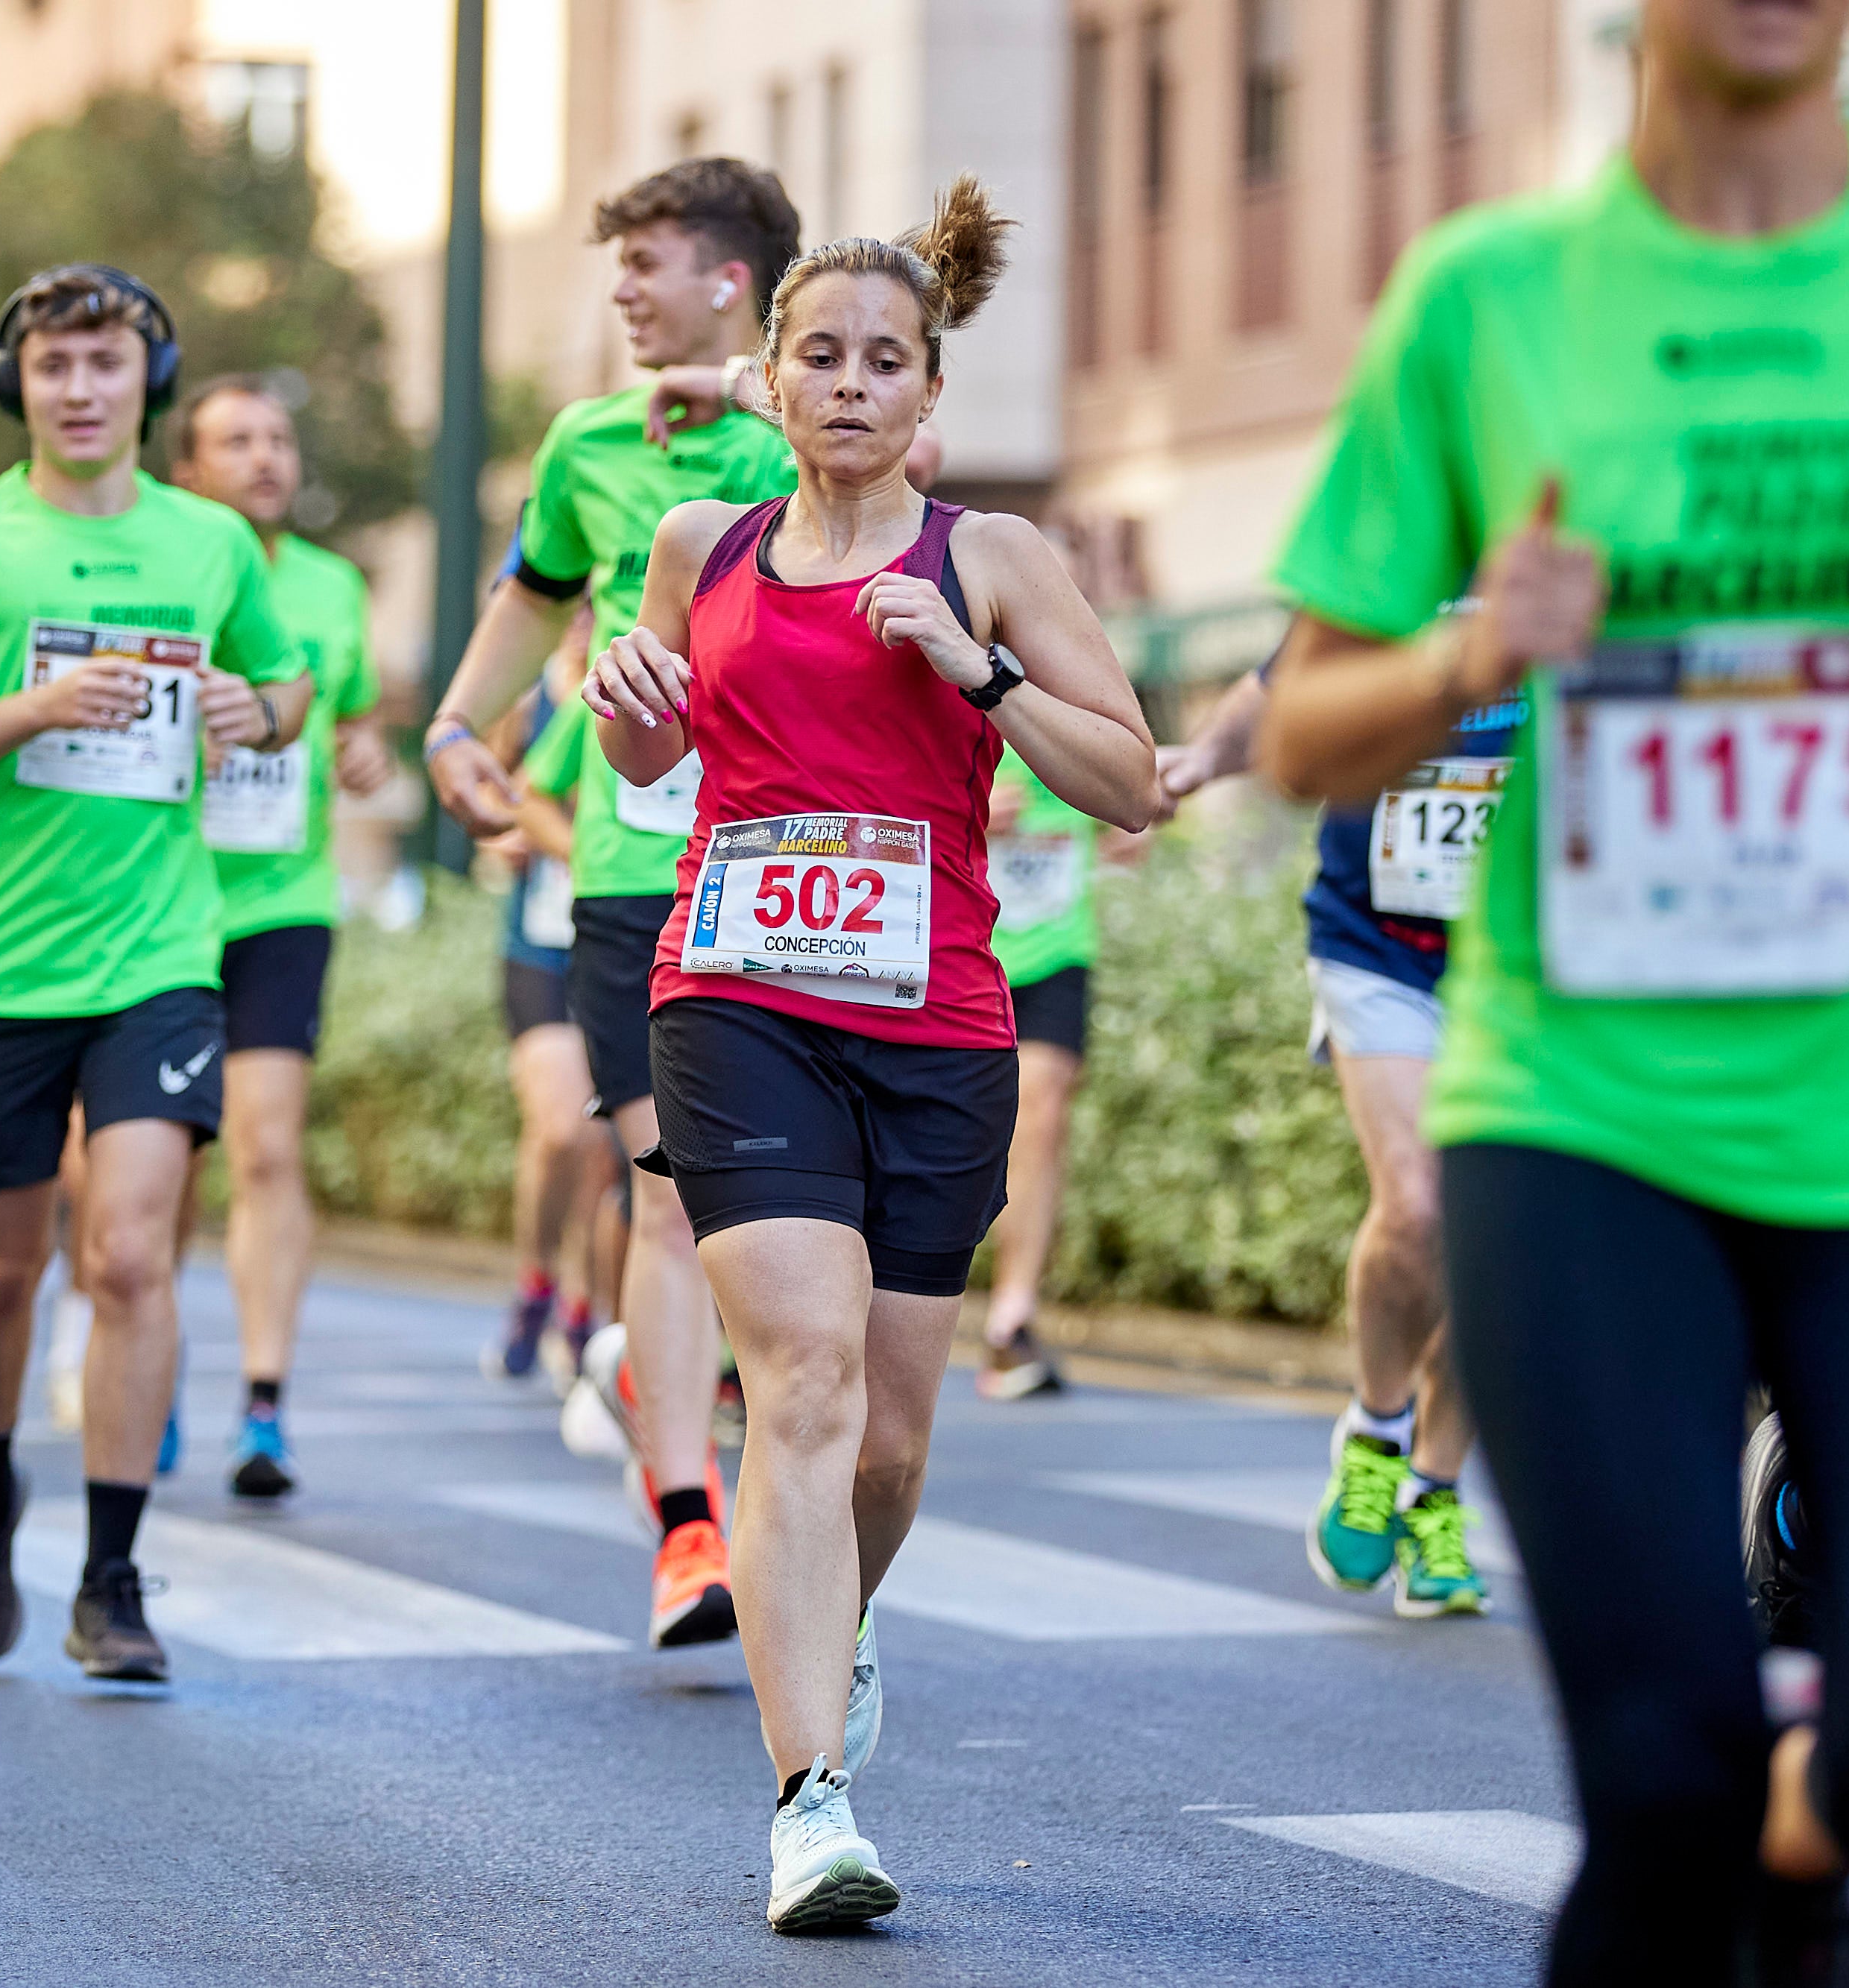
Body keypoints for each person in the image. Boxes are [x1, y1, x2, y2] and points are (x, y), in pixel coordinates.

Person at [1257, 0, 1849, 1978]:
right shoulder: (1491, 296)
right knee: (1657, 1780)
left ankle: (1789, 1833)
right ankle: (1724, 1829)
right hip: (1582, 1119)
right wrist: (1461, 658)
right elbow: (1300, 731)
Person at [583, 176, 1158, 1932]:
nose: (846, 383)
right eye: (816, 354)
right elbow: (649, 771)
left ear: (926, 397)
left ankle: (834, 1602)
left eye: (881, 360)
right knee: (807, 1383)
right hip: (737, 997)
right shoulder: (705, 549)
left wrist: (979, 677)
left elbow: (1131, 781)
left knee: (888, 1442)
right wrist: (634, 725)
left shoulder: (989, 560)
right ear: (769, 379)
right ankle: (806, 1799)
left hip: (935, 1027)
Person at [0, 265, 305, 1684]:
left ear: (145, 382)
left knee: (126, 1251)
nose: (79, 388)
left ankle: (114, 1577)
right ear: (20, 386)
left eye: (104, 363)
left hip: (161, 957)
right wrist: (37, 708)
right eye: (53, 364)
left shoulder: (209, 544)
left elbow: (289, 687)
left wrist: (261, 708)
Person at [425, 157, 804, 1650]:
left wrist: (749, 391)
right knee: (667, 1193)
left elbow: (906, 478)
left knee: (777, 1221)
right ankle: (684, 1526)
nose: (621, 292)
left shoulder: (808, 411)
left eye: (645, 264)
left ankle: (789, 1487)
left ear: (728, 279)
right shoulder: (589, 441)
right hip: (638, 881)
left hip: (802, 878)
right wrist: (457, 728)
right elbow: (529, 596)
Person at [1159, 660, 1503, 1618]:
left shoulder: (1608, 557)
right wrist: (1200, 768)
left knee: (1496, 1243)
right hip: (1379, 948)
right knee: (1419, 1205)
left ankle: (1434, 1493)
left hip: (1530, 963)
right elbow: (1287, 673)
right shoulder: (1407, 556)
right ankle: (1376, 1428)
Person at [166, 373, 391, 1502]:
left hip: (283, 903)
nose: (264, 458)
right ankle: (138, 1348)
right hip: (156, 903)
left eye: (279, 438)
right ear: (187, 470)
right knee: (149, 1160)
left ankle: (263, 1403)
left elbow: (353, 714)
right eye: (236, 440)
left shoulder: (334, 586)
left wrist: (363, 753)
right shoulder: (167, 566)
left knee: (263, 1147)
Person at [489, 625, 626, 1383]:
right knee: (560, 1128)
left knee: (611, 1146)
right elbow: (489, 794)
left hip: (624, 942)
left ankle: (586, 1303)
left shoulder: (649, 674)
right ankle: (536, 1279)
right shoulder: (531, 695)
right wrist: (504, 836)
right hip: (541, 941)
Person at [972, 747, 1113, 1400]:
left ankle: (1012, 1317)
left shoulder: (1073, 669)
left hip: (1054, 940)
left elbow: (1124, 779)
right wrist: (968, 810)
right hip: (960, 940)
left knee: (1044, 1108)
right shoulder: (925, 650)